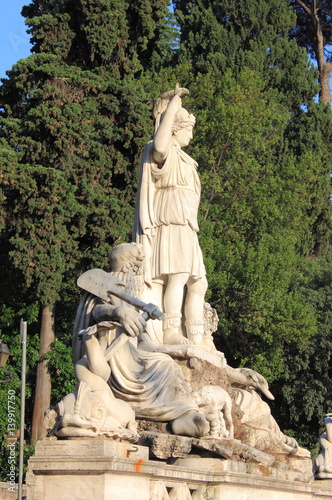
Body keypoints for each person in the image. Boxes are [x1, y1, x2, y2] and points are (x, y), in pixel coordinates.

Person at [133, 86, 208, 346]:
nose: (191, 133)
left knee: (198, 284)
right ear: (174, 127)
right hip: (171, 222)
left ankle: (198, 337)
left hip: (187, 225)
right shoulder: (163, 151)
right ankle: (170, 331)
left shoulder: (184, 158)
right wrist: (173, 106)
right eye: (187, 127)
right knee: (176, 277)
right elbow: (161, 143)